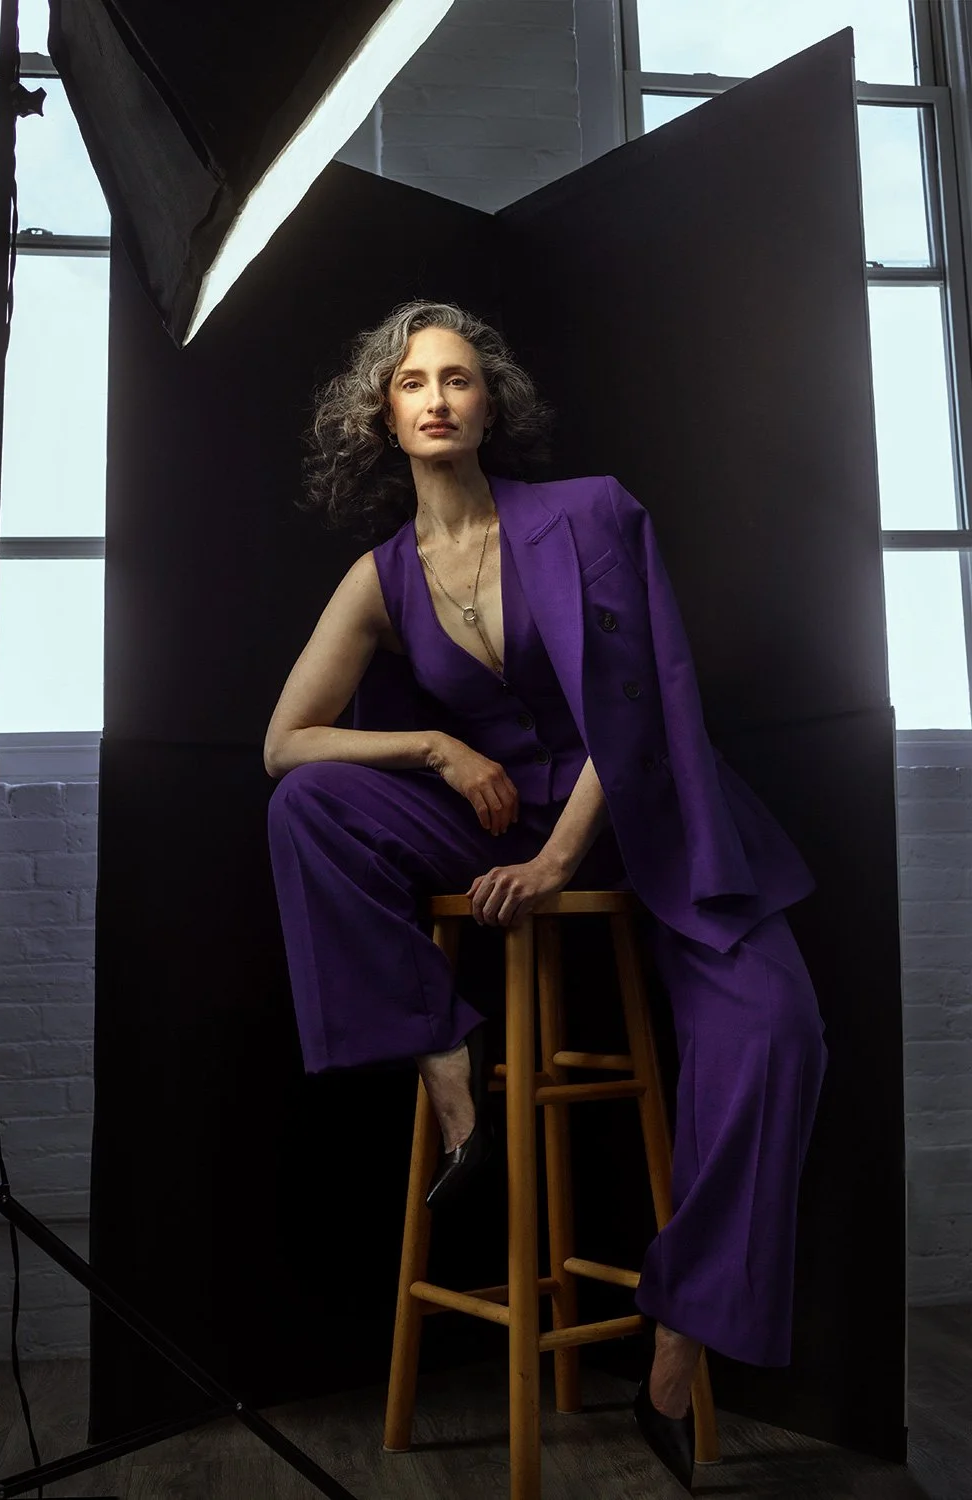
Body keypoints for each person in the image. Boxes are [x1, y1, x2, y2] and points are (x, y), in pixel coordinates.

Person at [264, 299, 829, 1489]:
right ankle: (453, 1083)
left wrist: (562, 860)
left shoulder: (588, 516)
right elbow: (287, 743)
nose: (435, 397)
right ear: (381, 413)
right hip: (499, 816)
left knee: (780, 1034)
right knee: (307, 809)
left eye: (458, 378)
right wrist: (428, 747)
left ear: (489, 404)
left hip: (652, 811)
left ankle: (681, 1330)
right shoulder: (379, 579)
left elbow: (633, 711)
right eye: (412, 380)